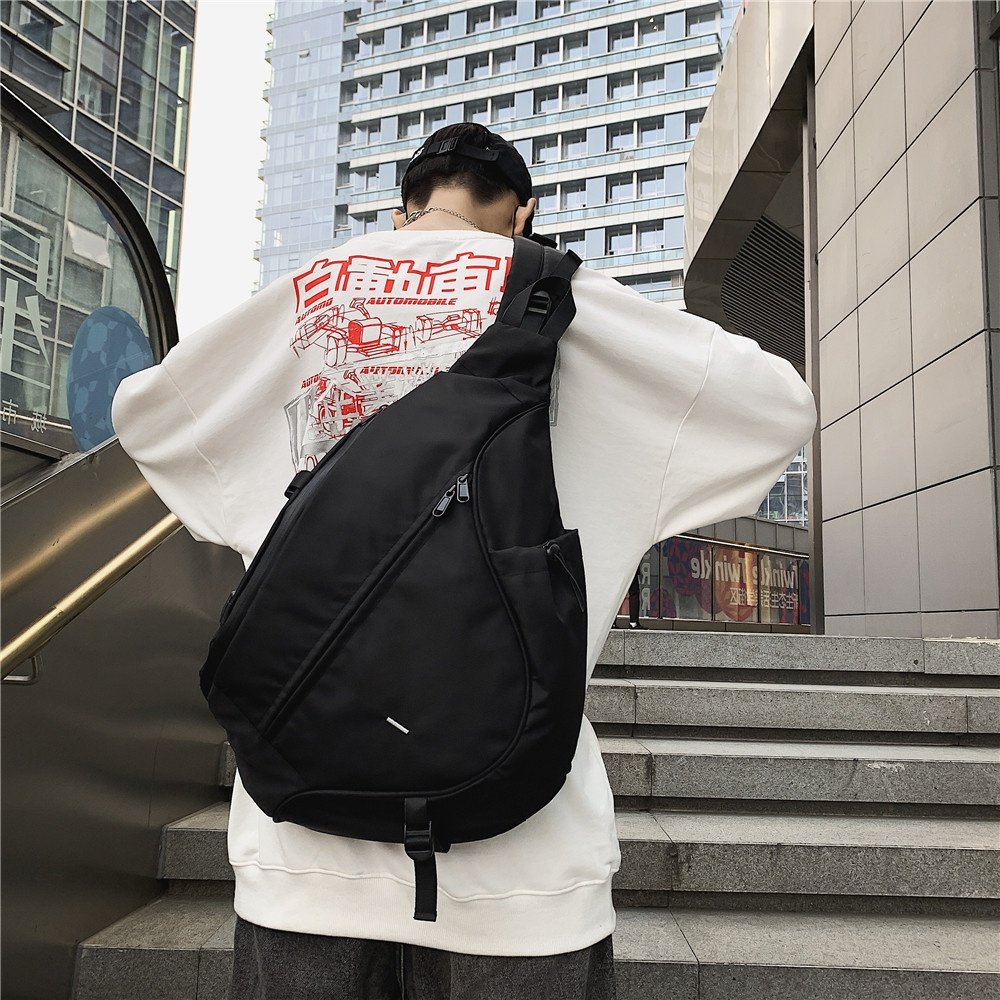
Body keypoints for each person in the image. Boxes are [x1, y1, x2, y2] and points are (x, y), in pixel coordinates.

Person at [111, 121, 817, 999]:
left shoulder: (308, 292)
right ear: (522, 214)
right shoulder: (566, 300)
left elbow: (146, 414)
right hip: (523, 850)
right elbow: (777, 406)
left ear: (402, 209)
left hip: (301, 846)